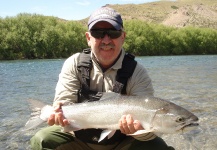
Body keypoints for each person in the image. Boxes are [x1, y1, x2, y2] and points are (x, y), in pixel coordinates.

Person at [30, 6, 174, 150]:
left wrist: (138, 131)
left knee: (158, 147)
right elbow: (64, 102)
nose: (106, 40)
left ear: (122, 37)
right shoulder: (74, 64)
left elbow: (150, 131)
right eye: (98, 33)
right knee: (42, 140)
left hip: (122, 144)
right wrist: (58, 114)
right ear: (88, 38)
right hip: (79, 141)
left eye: (113, 33)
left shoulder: (137, 72)